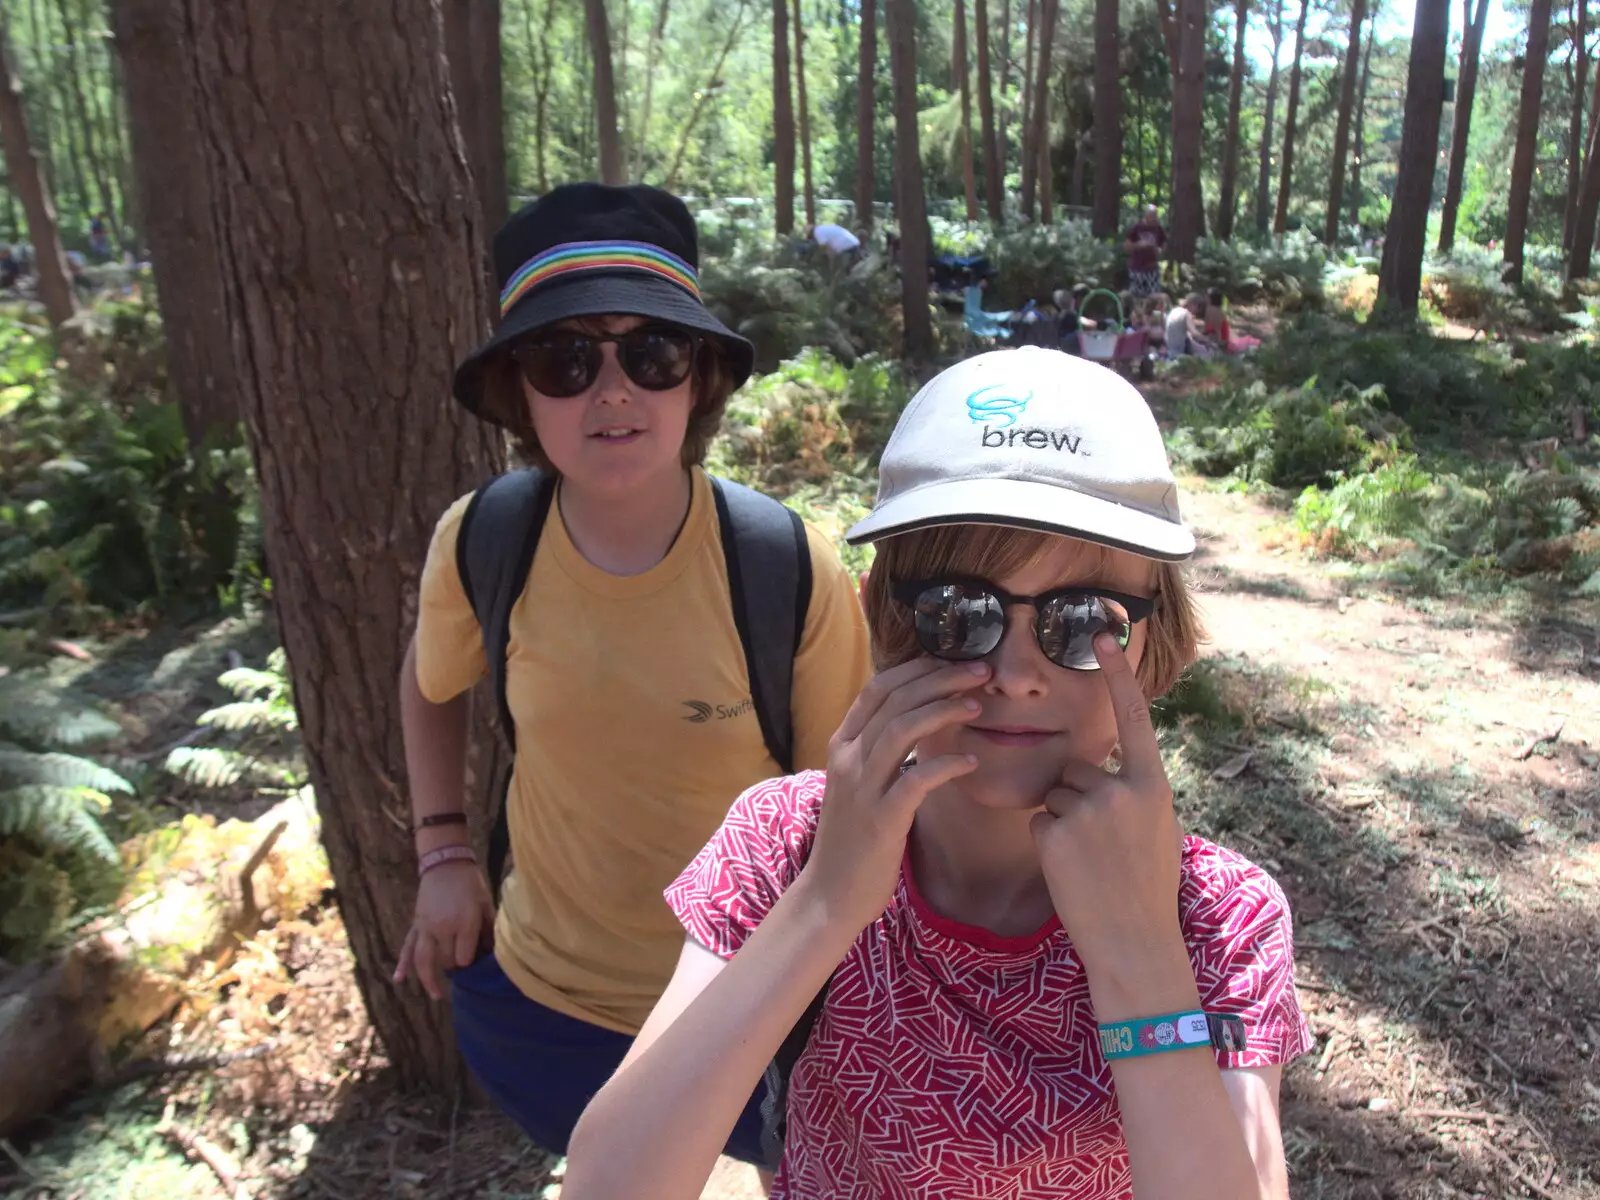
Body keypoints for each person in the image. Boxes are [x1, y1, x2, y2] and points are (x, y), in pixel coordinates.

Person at [564, 347, 1313, 1200]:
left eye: (1081, 620)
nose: (1018, 672)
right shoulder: (787, 842)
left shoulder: (1216, 915)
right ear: (884, 620)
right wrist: (827, 900)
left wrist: (1139, 954)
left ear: (1155, 645)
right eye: (960, 612)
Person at [393, 183, 872, 1166]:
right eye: (565, 359)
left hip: (745, 1014)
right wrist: (443, 857)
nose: (611, 392)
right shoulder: (484, 539)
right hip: (540, 1006)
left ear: (696, 380)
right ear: (518, 391)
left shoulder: (785, 566)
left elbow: (853, 810)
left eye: (649, 354)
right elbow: (429, 683)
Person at [1123, 204, 1167, 298]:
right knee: (1136, 296)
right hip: (1137, 269)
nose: (1154, 218)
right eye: (1152, 215)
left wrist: (1158, 250)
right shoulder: (1137, 228)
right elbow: (1126, 246)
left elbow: (1163, 246)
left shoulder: (1159, 229)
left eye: (1155, 215)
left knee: (1154, 297)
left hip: (1152, 269)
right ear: (1146, 215)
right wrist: (1138, 245)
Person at [1165, 292, 1215, 358]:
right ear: (1194, 305)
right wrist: (1209, 341)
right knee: (1209, 353)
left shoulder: (1174, 310)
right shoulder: (1186, 314)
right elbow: (1195, 334)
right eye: (1198, 307)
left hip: (1168, 349)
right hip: (1177, 353)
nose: (1197, 311)